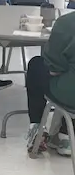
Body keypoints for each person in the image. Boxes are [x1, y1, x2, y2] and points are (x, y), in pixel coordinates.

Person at [25, 12, 75, 155]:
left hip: (70, 94)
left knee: (36, 65)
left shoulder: (66, 23)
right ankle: (66, 137)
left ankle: (36, 129)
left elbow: (53, 67)